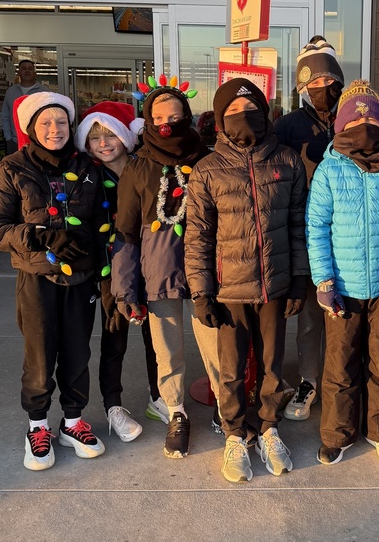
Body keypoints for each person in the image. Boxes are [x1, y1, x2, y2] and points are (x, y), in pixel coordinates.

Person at [186, 78, 310, 483]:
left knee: (272, 364)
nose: (244, 117)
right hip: (230, 289)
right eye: (234, 112)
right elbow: (198, 236)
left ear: (265, 111)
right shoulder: (207, 170)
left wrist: (299, 279)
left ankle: (269, 428)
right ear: (221, 120)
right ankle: (236, 433)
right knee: (232, 369)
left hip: (275, 284)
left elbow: (298, 226)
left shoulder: (287, 161)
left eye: (251, 109)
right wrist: (202, 291)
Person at [0, 91, 105, 471]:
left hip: (80, 278)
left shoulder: (88, 166)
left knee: (77, 352)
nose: (55, 129)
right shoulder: (13, 169)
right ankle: (38, 426)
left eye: (61, 122)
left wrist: (94, 254)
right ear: (32, 128)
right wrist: (41, 236)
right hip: (37, 278)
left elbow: (104, 217)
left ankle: (72, 422)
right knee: (40, 355)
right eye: (46, 123)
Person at [306, 80, 379, 466]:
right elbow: (316, 227)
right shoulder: (329, 170)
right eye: (354, 120)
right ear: (341, 124)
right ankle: (337, 433)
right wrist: (324, 281)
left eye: (371, 119)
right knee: (340, 364)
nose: (363, 126)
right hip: (343, 287)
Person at [111, 81, 219, 460]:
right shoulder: (138, 167)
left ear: (187, 115)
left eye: (174, 116)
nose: (166, 124)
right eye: (158, 117)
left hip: (206, 271)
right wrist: (125, 289)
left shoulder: (207, 160)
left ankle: (226, 406)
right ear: (147, 120)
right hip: (158, 274)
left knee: (216, 344)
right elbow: (125, 233)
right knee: (166, 349)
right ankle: (175, 410)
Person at [75, 101, 163, 440]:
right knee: (115, 337)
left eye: (110, 134)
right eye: (95, 137)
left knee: (157, 338)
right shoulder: (89, 176)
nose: (104, 143)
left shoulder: (146, 168)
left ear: (125, 136)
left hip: (152, 264)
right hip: (111, 270)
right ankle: (113, 406)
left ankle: (159, 397)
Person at [274, 35, 345, 423]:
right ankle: (308, 379)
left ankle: (342, 379)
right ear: (302, 86)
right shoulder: (287, 126)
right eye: (313, 82)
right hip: (307, 231)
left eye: (328, 80)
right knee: (311, 316)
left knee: (347, 314)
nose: (322, 88)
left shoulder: (355, 116)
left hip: (352, 232)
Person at [1, 59, 46, 154]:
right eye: (24, 68)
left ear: (35, 73)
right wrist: (8, 138)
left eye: (30, 69)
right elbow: (5, 116)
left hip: (38, 142)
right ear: (18, 73)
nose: (27, 71)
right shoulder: (10, 92)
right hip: (15, 142)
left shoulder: (44, 92)